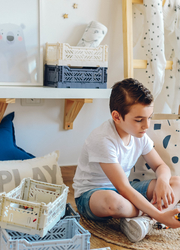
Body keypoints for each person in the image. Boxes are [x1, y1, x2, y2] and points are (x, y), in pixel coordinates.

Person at [72, 78, 180, 242]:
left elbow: (160, 165)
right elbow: (123, 189)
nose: (146, 126)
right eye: (139, 120)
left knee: (177, 183)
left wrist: (163, 181)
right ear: (116, 116)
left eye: (149, 117)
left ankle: (143, 220)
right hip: (93, 195)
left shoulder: (139, 135)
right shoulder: (103, 139)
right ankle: (153, 216)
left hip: (125, 190)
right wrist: (160, 214)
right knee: (115, 202)